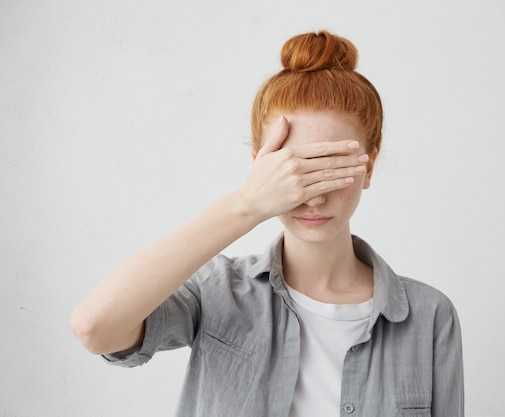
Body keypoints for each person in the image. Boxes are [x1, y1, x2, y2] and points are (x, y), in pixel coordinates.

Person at [71, 30, 464, 417]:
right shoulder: (217, 292)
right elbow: (95, 327)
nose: (313, 196)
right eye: (292, 170)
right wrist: (247, 203)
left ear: (369, 166)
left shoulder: (429, 315)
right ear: (261, 167)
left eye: (331, 169)